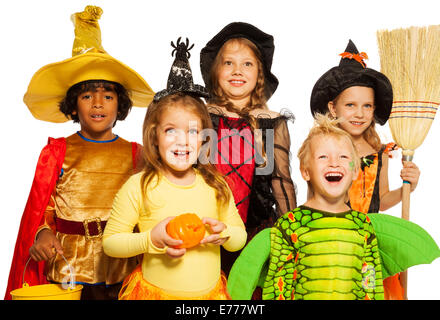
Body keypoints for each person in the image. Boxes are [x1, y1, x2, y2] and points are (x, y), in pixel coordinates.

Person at [4, 6, 154, 300]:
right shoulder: (57, 152)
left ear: (120, 105)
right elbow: (42, 207)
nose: (98, 103)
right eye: (87, 95)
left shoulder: (137, 153)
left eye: (108, 96)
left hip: (121, 265)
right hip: (67, 266)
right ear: (73, 105)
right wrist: (42, 233)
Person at [227, 114, 440, 300]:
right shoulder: (289, 226)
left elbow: (370, 284)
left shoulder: (363, 227)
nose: (334, 163)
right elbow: (278, 287)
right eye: (323, 157)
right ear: (306, 171)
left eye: (344, 157)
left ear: (355, 170)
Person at [102, 38, 247, 300]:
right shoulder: (140, 186)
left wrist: (223, 234)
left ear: (204, 139)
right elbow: (111, 243)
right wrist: (151, 240)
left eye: (192, 131)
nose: (183, 141)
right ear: (154, 136)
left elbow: (239, 237)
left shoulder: (216, 185)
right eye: (171, 131)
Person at [310, 39, 421, 299]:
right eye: (350, 105)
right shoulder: (322, 149)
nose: (359, 113)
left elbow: (380, 201)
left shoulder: (378, 152)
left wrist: (408, 187)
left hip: (369, 244)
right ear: (332, 107)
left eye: (367, 106)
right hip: (333, 238)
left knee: (369, 292)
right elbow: (314, 198)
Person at [200, 22, 297, 275]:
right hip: (205, 228)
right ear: (215, 71)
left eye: (247, 64)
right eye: (228, 63)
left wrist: (294, 234)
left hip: (255, 230)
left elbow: (281, 181)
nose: (237, 71)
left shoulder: (270, 122)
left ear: (259, 74)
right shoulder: (203, 116)